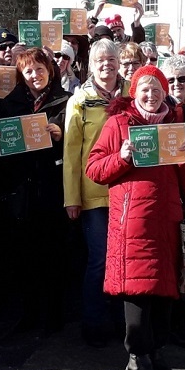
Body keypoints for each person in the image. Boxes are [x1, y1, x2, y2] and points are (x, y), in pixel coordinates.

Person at [85, 66, 185, 370]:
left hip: (166, 219)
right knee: (138, 289)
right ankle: (137, 358)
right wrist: (121, 156)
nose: (151, 95)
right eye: (145, 89)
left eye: (157, 89)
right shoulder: (118, 123)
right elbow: (94, 169)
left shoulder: (174, 126)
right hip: (132, 218)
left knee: (164, 291)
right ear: (134, 92)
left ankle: (156, 353)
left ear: (165, 93)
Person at [0, 46, 72, 329]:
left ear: (50, 70)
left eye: (40, 69)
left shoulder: (66, 102)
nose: (34, 75)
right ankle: (28, 313)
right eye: (28, 71)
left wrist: (62, 134)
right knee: (25, 252)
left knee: (54, 252)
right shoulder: (9, 104)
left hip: (53, 188)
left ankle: (53, 313)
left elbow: (76, 145)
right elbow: (3, 154)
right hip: (23, 190)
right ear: (20, 75)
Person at [63, 39, 125, 347]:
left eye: (111, 59)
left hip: (126, 190)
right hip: (93, 192)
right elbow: (72, 152)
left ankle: (122, 320)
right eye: (100, 59)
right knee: (99, 259)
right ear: (91, 65)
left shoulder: (130, 95)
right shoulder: (80, 99)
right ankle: (93, 322)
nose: (106, 64)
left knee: (123, 259)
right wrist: (71, 197)